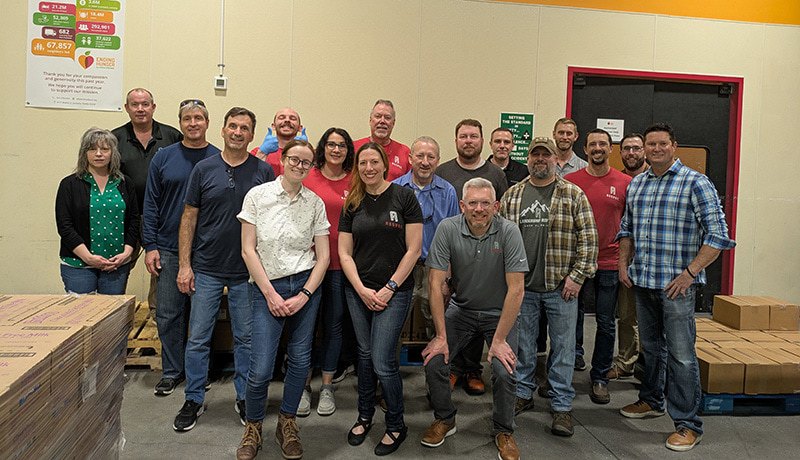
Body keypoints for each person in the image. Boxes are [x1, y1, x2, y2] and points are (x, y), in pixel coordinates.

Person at [617, 123, 735, 452]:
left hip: (677, 288)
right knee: (651, 349)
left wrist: (689, 273)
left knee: (682, 356)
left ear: (674, 146)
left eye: (662, 144)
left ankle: (687, 424)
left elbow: (718, 235)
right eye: (650, 144)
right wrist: (624, 264)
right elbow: (627, 229)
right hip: (644, 282)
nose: (656, 149)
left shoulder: (695, 183)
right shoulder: (637, 184)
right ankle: (652, 400)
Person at [172, 107, 274, 432]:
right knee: (198, 338)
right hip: (206, 267)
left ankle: (244, 396)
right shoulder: (203, 169)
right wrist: (185, 265)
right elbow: (189, 217)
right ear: (223, 130)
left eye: (244, 127)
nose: (238, 132)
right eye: (233, 126)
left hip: (247, 271)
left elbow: (271, 221)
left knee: (245, 339)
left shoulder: (263, 171)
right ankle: (193, 398)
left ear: (251, 135)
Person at [235, 140, 330, 460]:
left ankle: (287, 422)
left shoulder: (314, 203)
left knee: (301, 361)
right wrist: (270, 294)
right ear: (283, 160)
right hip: (267, 286)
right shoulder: (258, 196)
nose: (300, 166)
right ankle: (253, 426)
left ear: (311, 167)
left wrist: (305, 294)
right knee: (261, 366)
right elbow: (248, 250)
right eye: (294, 159)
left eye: (306, 162)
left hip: (304, 285)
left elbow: (323, 257)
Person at [420, 178, 527, 460]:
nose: (479, 209)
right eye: (473, 203)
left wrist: (500, 340)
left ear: (496, 206)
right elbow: (434, 284)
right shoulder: (447, 228)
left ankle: (504, 430)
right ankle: (445, 418)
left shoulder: (509, 231)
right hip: (462, 309)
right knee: (434, 361)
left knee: (504, 369)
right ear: (462, 205)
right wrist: (440, 337)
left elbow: (516, 289)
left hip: (499, 313)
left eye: (485, 203)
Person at [499, 136, 597, 437]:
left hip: (561, 287)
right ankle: (523, 393)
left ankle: (562, 405)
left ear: (556, 159)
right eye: (535, 155)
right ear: (528, 159)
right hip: (523, 288)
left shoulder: (573, 194)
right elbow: (499, 239)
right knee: (523, 345)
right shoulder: (513, 195)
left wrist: (577, 277)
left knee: (564, 348)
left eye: (546, 155)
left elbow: (589, 240)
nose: (540, 159)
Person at [339, 142, 422, 456]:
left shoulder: (404, 197)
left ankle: (396, 424)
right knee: (363, 355)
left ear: (385, 164)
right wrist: (361, 289)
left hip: (395, 292)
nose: (369, 168)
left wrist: (389, 287)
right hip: (359, 290)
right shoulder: (352, 202)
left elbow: (414, 249)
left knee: (382, 361)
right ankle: (364, 416)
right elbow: (344, 253)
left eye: (374, 162)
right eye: (363, 163)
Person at [142, 99, 220, 397]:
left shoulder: (218, 158)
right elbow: (151, 203)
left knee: (204, 316)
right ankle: (172, 371)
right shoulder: (163, 157)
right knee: (168, 313)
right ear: (180, 123)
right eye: (187, 118)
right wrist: (150, 245)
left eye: (198, 118)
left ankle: (199, 372)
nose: (193, 123)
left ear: (207, 123)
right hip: (169, 248)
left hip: (207, 250)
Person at [435, 118, 508, 395]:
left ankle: (472, 370)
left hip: (486, 253)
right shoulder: (443, 172)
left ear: (482, 141)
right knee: (454, 315)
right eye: (463, 136)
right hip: (453, 252)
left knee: (478, 312)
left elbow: (501, 215)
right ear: (456, 140)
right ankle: (453, 367)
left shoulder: (495, 174)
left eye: (473, 136)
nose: (468, 141)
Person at [564, 129, 631, 404]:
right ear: (586, 149)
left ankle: (600, 376)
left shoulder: (625, 183)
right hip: (578, 262)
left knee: (605, 322)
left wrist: (624, 263)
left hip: (609, 263)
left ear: (610, 148)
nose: (598, 148)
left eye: (603, 143)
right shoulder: (571, 181)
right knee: (571, 319)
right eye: (593, 144)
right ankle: (567, 368)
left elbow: (629, 227)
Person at [300, 127, 356, 416]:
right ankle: (302, 386)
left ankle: (326, 386)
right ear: (322, 148)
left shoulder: (355, 180)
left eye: (342, 145)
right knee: (305, 328)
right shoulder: (307, 176)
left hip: (339, 266)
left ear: (348, 151)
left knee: (333, 327)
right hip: (307, 265)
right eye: (331, 144)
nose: (336, 149)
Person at [112, 88, 182, 305]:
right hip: (126, 218)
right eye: (135, 104)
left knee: (161, 268)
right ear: (127, 108)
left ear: (153, 107)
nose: (140, 109)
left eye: (145, 104)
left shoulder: (172, 137)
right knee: (118, 267)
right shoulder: (114, 138)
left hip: (162, 217)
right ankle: (114, 313)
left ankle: (156, 315)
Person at [55, 127, 139, 294]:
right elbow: (65, 225)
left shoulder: (125, 183)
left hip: (116, 264)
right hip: (78, 264)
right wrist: (87, 257)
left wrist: (127, 252)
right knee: (83, 309)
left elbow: (134, 220)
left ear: (113, 153)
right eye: (92, 149)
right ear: (84, 153)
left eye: (105, 149)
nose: (98, 154)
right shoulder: (69, 185)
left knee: (111, 310)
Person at [393, 136, 459, 340]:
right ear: (410, 158)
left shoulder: (448, 192)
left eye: (431, 157)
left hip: (435, 268)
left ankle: (437, 359)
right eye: (420, 156)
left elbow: (454, 238)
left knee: (437, 325)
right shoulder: (395, 189)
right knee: (394, 323)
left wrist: (448, 277)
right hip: (403, 267)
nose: (425, 162)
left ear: (438, 160)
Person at [609, 132, 647, 380]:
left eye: (636, 148)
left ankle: (650, 365)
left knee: (653, 317)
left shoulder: (654, 179)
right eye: (626, 149)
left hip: (652, 260)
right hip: (623, 258)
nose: (631, 153)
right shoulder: (620, 181)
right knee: (627, 314)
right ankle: (626, 361)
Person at [353, 100, 411, 181]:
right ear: (370, 120)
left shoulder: (404, 152)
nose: (382, 121)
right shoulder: (354, 148)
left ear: (393, 123)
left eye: (387, 118)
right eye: (378, 116)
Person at [250, 107, 304, 176]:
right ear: (273, 126)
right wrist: (261, 153)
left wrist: (305, 152)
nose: (287, 120)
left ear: (300, 128)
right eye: (281, 118)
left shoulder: (310, 155)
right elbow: (248, 177)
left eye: (292, 118)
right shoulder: (257, 152)